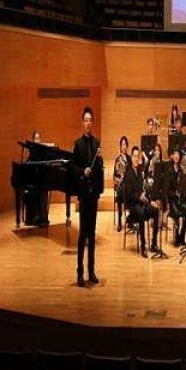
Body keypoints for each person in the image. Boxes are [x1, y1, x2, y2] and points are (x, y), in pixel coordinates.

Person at [73, 106, 104, 287]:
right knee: (82, 234)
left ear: (92, 123)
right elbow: (73, 168)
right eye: (85, 120)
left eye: (90, 120)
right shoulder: (77, 144)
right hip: (84, 195)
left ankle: (91, 271)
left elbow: (99, 170)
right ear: (82, 123)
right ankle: (79, 272)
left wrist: (99, 159)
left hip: (93, 195)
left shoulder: (97, 143)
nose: (88, 123)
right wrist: (82, 171)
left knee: (92, 235)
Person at [124, 146, 158, 257]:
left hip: (142, 203)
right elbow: (129, 195)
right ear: (131, 158)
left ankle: (154, 243)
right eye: (134, 156)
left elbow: (145, 190)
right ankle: (143, 246)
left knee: (155, 210)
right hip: (133, 205)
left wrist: (150, 201)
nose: (136, 159)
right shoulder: (128, 174)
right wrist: (139, 196)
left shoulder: (140, 172)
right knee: (142, 214)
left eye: (137, 157)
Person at [166, 148, 186, 248]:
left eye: (178, 154)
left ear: (180, 157)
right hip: (172, 200)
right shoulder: (169, 170)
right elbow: (167, 190)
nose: (176, 156)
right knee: (176, 214)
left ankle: (181, 237)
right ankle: (176, 238)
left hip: (180, 199)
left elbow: (184, 186)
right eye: (174, 154)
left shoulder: (181, 170)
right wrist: (174, 193)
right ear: (172, 156)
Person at [113, 135, 132, 232]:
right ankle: (120, 222)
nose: (124, 146)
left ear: (127, 146)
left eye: (125, 144)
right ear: (120, 146)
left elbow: (132, 173)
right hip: (121, 186)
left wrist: (126, 176)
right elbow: (114, 176)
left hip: (128, 186)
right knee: (120, 194)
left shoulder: (129, 159)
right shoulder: (117, 159)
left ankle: (130, 219)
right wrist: (120, 179)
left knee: (131, 193)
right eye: (122, 144)